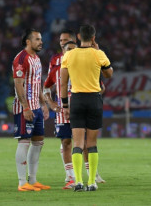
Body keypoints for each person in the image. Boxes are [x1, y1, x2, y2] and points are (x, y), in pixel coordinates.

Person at [61, 24, 113, 192]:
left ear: (77, 37)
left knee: (77, 143)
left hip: (76, 99)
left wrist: (65, 105)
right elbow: (109, 74)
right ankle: (91, 182)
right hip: (94, 100)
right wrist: (98, 51)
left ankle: (77, 182)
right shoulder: (99, 54)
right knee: (91, 143)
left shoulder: (69, 55)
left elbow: (63, 83)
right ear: (93, 38)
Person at [12, 28, 50, 192]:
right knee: (24, 142)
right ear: (28, 41)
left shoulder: (36, 58)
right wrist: (26, 107)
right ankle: (22, 183)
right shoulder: (21, 59)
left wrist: (43, 104)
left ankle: (33, 180)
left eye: (41, 39)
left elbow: (37, 83)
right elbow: (18, 84)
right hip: (24, 108)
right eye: (37, 39)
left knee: (38, 143)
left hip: (37, 108)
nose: (41, 42)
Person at [44, 40, 77, 189]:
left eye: (73, 49)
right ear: (63, 52)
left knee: (82, 144)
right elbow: (45, 88)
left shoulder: (82, 67)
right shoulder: (55, 70)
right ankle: (71, 177)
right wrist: (51, 103)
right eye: (68, 49)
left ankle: (89, 176)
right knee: (66, 142)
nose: (70, 52)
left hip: (80, 109)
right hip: (63, 112)